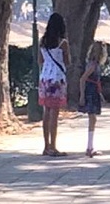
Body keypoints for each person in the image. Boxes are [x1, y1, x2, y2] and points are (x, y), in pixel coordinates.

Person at [38, 12, 70, 156]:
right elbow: (67, 61)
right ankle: (53, 146)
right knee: (54, 113)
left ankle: (46, 146)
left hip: (45, 78)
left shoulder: (42, 42)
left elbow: (40, 61)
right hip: (57, 78)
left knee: (46, 111)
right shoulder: (63, 43)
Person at [78, 41, 107, 158]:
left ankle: (90, 146)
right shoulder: (93, 65)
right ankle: (89, 147)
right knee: (92, 119)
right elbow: (82, 79)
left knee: (93, 119)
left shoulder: (93, 64)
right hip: (90, 92)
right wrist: (82, 95)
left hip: (93, 91)